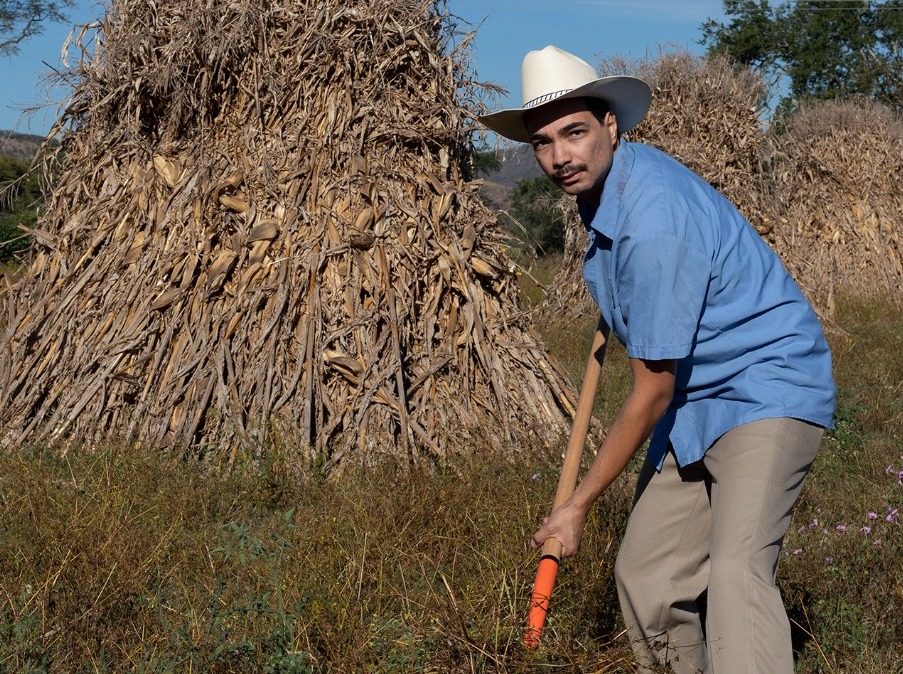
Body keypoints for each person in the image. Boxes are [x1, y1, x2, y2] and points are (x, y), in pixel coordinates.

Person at [479, 46, 836, 674]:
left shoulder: (652, 220)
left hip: (766, 386)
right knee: (648, 577)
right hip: (698, 400)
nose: (561, 157)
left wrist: (576, 507)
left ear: (611, 126)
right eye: (544, 143)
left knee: (735, 571)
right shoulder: (608, 194)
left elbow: (650, 392)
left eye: (576, 133)